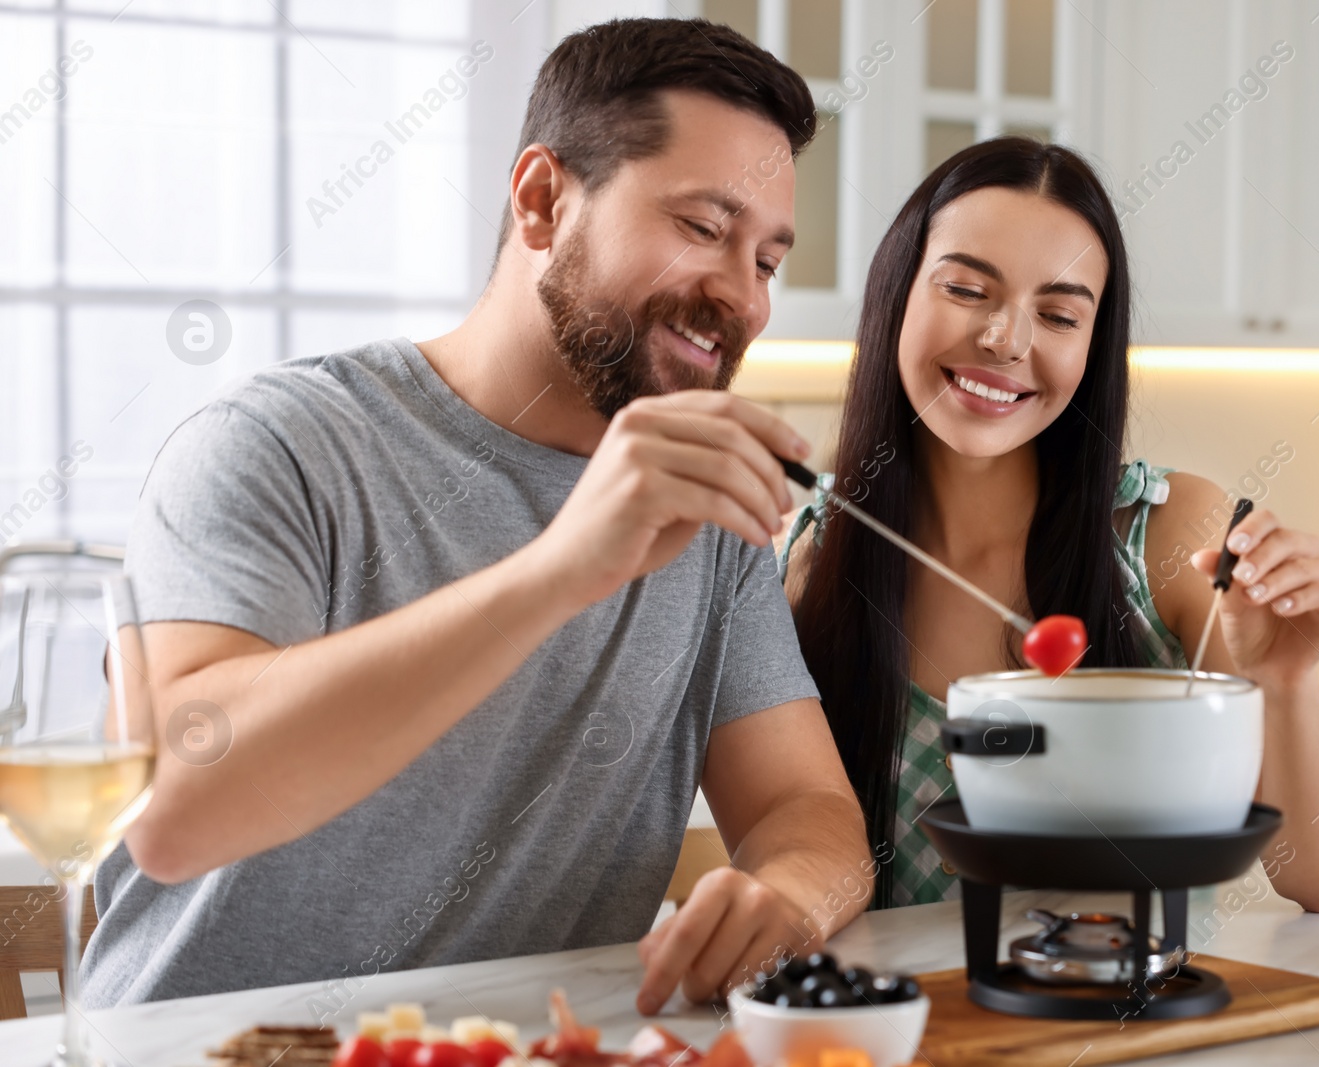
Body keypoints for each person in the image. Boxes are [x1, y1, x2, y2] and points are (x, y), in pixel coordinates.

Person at [82, 18, 872, 1017]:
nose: (743, 298)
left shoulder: (711, 523)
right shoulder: (278, 445)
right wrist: (563, 567)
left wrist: (787, 896)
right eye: (703, 227)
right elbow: (171, 808)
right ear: (543, 200)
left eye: (765, 259)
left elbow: (811, 812)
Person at [779, 137, 1319, 912]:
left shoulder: (1171, 533)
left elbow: (1318, 879)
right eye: (965, 289)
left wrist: (1284, 683)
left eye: (1057, 314)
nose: (1006, 340)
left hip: (1130, 1022)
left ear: (1094, 344)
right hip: (901, 1028)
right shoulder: (814, 562)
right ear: (898, 291)